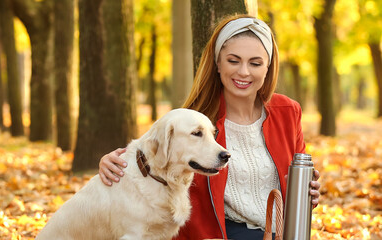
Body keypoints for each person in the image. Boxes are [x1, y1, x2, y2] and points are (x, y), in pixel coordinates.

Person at [98, 15, 321, 239]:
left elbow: (298, 184)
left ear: (268, 67)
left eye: (255, 63)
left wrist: (309, 192)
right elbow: (151, 156)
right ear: (217, 63)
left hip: (282, 231)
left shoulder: (287, 112)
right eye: (233, 61)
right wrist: (111, 163)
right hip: (222, 233)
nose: (244, 72)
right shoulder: (195, 120)